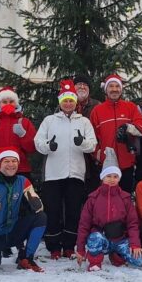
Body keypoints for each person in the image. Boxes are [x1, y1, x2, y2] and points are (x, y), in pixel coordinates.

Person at [34, 79, 97, 260]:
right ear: (60, 102)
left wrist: (82, 143)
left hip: (76, 172)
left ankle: (69, 245)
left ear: (75, 102)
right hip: (53, 173)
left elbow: (92, 145)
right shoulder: (49, 120)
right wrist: (49, 146)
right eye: (65, 100)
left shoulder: (83, 121)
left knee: (73, 210)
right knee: (52, 210)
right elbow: (38, 142)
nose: (68, 103)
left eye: (71, 100)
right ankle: (54, 246)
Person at [76, 148, 142, 271]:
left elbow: (132, 223)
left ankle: (117, 256)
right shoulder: (93, 198)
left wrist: (135, 244)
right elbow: (84, 225)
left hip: (120, 239)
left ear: (119, 178)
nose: (112, 179)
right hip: (102, 239)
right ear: (102, 177)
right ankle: (95, 262)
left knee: (139, 261)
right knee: (94, 237)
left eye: (115, 176)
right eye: (108, 176)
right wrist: (80, 249)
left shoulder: (125, 198)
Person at [89, 74, 142, 194]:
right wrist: (99, 155)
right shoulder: (97, 111)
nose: (114, 89)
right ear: (106, 89)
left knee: (125, 198)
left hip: (126, 164)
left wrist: (128, 127)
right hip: (107, 166)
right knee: (107, 199)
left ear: (121, 89)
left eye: (117, 86)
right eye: (111, 86)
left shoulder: (130, 107)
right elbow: (91, 137)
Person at [74, 74, 103, 194]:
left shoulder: (97, 105)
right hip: (73, 154)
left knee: (92, 190)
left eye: (85, 85)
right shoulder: (65, 105)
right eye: (78, 84)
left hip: (93, 155)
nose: (81, 87)